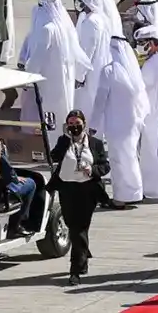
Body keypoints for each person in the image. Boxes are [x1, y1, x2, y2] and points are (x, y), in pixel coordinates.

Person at [48, 109, 110, 285]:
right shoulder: (63, 141)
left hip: (87, 189)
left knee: (79, 228)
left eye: (77, 124)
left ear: (84, 123)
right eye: (71, 125)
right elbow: (53, 157)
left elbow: (105, 166)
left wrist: (93, 170)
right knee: (71, 225)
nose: (74, 127)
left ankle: (74, 270)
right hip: (67, 188)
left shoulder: (95, 143)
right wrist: (65, 143)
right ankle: (83, 256)